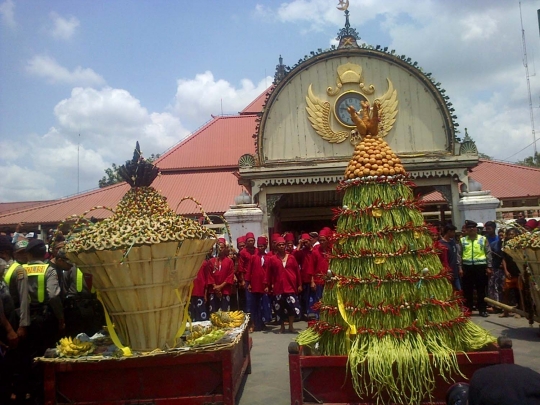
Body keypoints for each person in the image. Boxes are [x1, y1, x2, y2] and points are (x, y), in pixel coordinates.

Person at [266, 237, 302, 333]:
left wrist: (299, 284)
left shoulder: (292, 257)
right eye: (279, 245)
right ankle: (282, 327)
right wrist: (267, 285)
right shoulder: (272, 259)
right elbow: (269, 273)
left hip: (290, 286)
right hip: (279, 287)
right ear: (276, 246)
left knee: (292, 307)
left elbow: (297, 271)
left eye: (283, 244)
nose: (281, 246)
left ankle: (291, 326)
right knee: (279, 308)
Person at [459, 220, 493, 317]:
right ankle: (468, 310)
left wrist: (489, 266)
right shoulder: (463, 240)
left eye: (473, 227)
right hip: (467, 267)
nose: (471, 229)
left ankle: (482, 309)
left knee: (481, 289)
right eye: (469, 227)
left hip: (480, 267)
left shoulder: (483, 239)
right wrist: (460, 268)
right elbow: (459, 255)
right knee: (467, 290)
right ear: (466, 229)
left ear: (476, 229)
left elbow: (488, 253)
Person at [246, 236, 272, 331]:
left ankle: (262, 323)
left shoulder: (269, 258)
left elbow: (270, 272)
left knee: (264, 305)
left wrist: (269, 284)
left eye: (262, 246)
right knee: (254, 305)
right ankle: (253, 324)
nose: (260, 248)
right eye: (259, 246)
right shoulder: (253, 257)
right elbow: (249, 271)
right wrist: (248, 283)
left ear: (265, 246)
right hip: (255, 284)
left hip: (264, 285)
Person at [294, 233, 318, 320]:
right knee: (304, 298)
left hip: (314, 277)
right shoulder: (302, 252)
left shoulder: (315, 251)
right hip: (304, 278)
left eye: (306, 242)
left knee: (315, 297)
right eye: (304, 243)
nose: (305, 244)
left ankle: (314, 314)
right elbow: (294, 255)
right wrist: (300, 244)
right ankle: (305, 313)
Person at [499, 228, 522, 318]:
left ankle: (520, 312)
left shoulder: (520, 246)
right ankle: (505, 311)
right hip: (509, 273)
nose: (511, 236)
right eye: (509, 234)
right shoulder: (506, 246)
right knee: (506, 292)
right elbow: (504, 259)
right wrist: (506, 270)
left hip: (519, 272)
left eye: (513, 234)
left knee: (520, 293)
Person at [208, 244, 235, 312]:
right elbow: (209, 275)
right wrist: (216, 287)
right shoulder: (211, 261)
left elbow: (230, 275)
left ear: (225, 248)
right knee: (214, 313)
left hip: (225, 290)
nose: (220, 249)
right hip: (213, 290)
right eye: (218, 247)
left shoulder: (229, 261)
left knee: (224, 313)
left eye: (222, 247)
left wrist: (220, 286)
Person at [484, 221, 503, 311]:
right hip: (491, 266)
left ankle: (501, 305)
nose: (487, 230)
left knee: (500, 286)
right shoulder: (484, 239)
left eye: (489, 229)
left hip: (500, 267)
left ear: (494, 228)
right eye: (486, 229)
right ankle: (493, 305)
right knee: (491, 286)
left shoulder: (498, 239)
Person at [438, 224, 461, 291]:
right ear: (448, 232)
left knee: (459, 291)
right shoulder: (440, 244)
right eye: (453, 232)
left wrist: (459, 268)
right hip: (447, 272)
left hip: (455, 271)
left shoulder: (453, 242)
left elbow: (456, 256)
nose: (454, 234)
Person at [189, 254, 211, 321]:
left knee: (201, 315)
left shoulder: (204, 263)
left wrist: (205, 294)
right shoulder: (187, 263)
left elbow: (207, 278)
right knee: (191, 315)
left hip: (200, 292)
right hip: (190, 293)